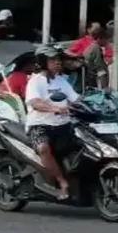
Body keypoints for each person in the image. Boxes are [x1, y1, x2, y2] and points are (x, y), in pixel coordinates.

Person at [25, 45, 80, 200]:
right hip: (40, 126)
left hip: (63, 125)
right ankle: (62, 183)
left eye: (58, 60)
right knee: (43, 148)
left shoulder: (61, 81)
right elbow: (35, 103)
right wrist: (55, 108)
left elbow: (76, 99)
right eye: (53, 60)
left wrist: (95, 101)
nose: (58, 63)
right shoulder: (35, 82)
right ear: (43, 62)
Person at [80, 26, 111, 91]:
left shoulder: (91, 47)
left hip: (88, 79)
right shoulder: (96, 48)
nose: (107, 42)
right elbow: (100, 69)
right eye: (106, 40)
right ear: (99, 39)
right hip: (91, 80)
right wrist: (105, 88)